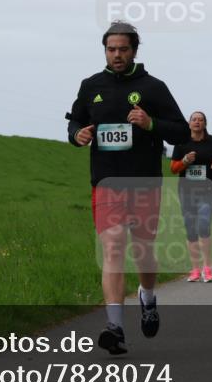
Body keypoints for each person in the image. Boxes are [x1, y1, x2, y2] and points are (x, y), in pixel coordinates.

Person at [67, 20, 190, 355]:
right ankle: (115, 327)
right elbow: (75, 121)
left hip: (145, 182)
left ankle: (147, 298)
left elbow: (180, 132)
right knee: (113, 246)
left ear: (134, 50)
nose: (117, 55)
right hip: (107, 182)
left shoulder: (153, 88)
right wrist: (78, 135)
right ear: (104, 51)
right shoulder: (91, 85)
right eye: (111, 49)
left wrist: (151, 123)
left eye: (123, 49)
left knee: (143, 251)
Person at [170, 111, 212, 283]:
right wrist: (185, 161)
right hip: (187, 191)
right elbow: (173, 169)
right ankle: (195, 269)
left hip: (207, 190)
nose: (197, 122)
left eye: (200, 120)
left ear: (205, 124)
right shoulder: (181, 143)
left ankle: (207, 269)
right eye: (194, 119)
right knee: (191, 229)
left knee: (203, 225)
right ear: (189, 124)